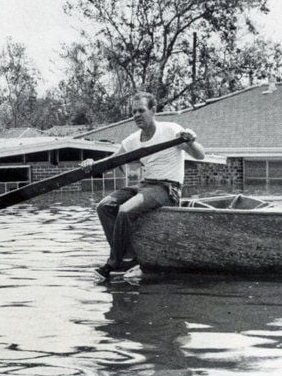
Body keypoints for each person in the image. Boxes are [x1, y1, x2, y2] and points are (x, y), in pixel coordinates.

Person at [81, 91, 205, 278]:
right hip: (145, 185)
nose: (137, 115)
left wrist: (191, 142)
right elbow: (111, 162)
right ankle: (129, 258)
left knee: (125, 210)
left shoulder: (171, 130)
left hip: (167, 188)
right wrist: (91, 164)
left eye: (141, 110)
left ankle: (113, 262)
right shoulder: (132, 140)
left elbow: (200, 155)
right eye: (133, 112)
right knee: (104, 206)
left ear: (153, 111)